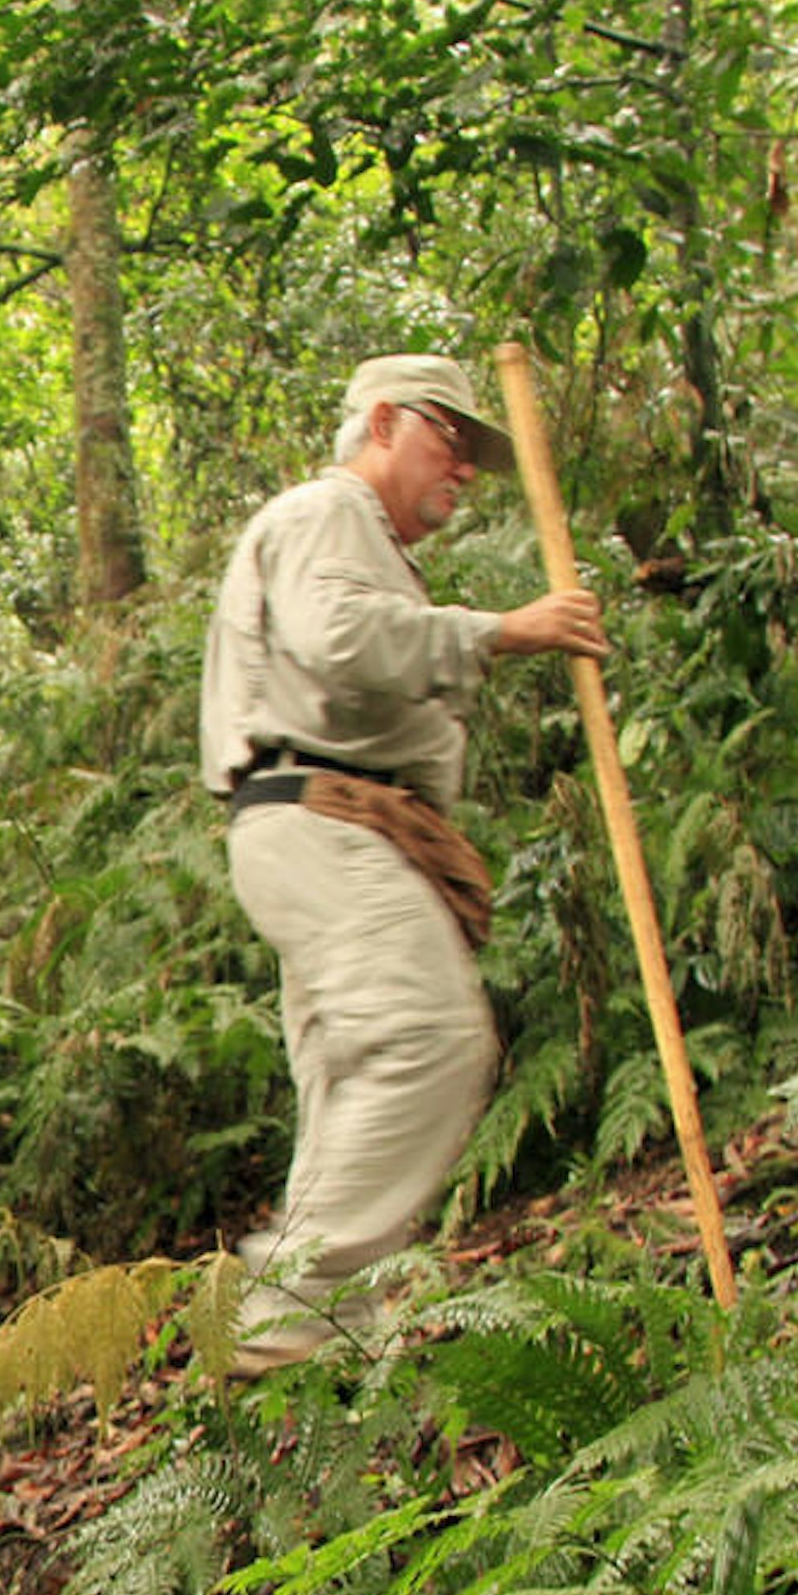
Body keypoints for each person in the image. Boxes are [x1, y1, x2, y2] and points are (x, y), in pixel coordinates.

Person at [198, 354, 610, 1376]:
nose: (467, 470)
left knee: (349, 1074)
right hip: (318, 819)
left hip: (333, 824)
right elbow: (336, 637)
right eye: (451, 439)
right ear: (382, 422)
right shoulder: (327, 512)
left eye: (478, 455)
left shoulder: (367, 539)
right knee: (427, 1037)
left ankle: (314, 1350)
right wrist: (501, 632)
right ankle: (293, 1303)